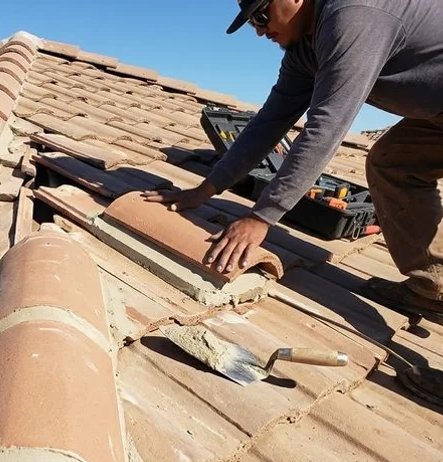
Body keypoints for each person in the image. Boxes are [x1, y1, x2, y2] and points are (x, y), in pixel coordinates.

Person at [142, 0, 443, 326]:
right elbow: (269, 123)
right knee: (391, 163)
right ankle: (433, 288)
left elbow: (325, 128)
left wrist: (262, 216)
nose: (259, 30)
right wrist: (206, 188)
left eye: (261, 15)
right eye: (252, 23)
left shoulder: (353, 16)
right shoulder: (306, 51)